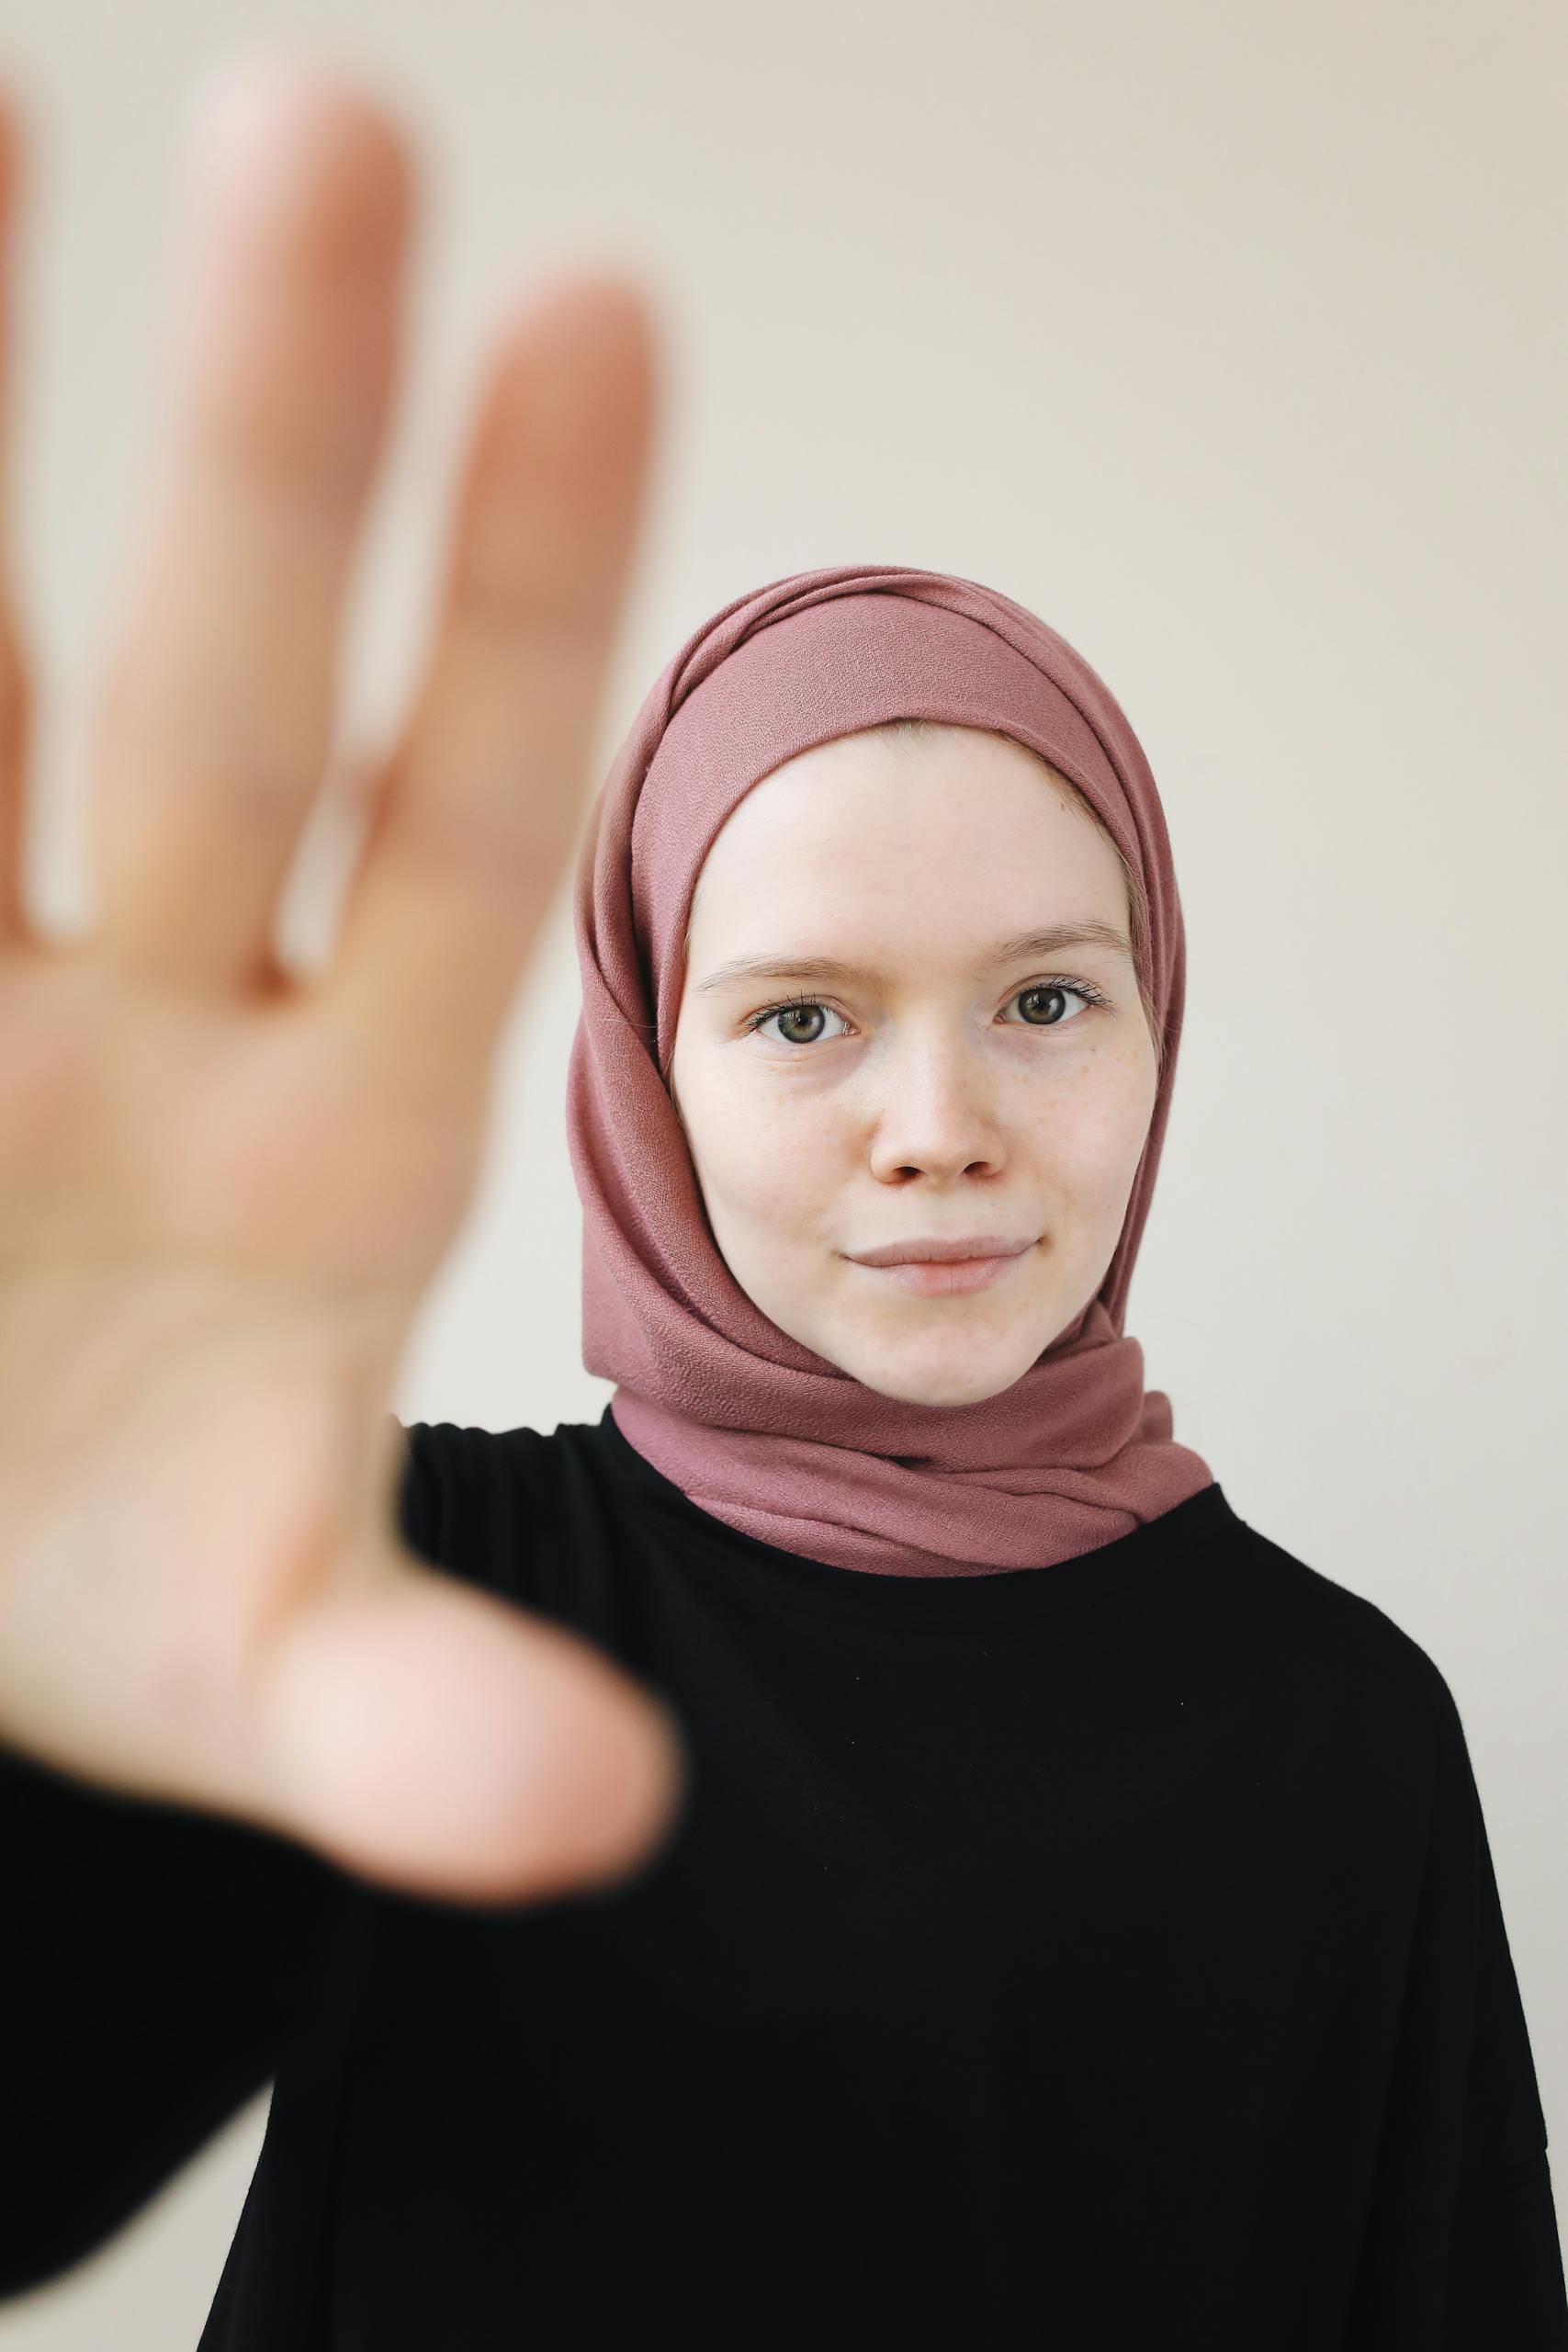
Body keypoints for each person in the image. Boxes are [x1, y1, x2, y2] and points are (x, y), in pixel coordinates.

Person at [0, 57, 1562, 2352]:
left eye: (1042, 994)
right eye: (801, 1017)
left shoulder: (1342, 1734)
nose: (935, 1123)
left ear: (1161, 1025)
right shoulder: (401, 1578)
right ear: (643, 1070)